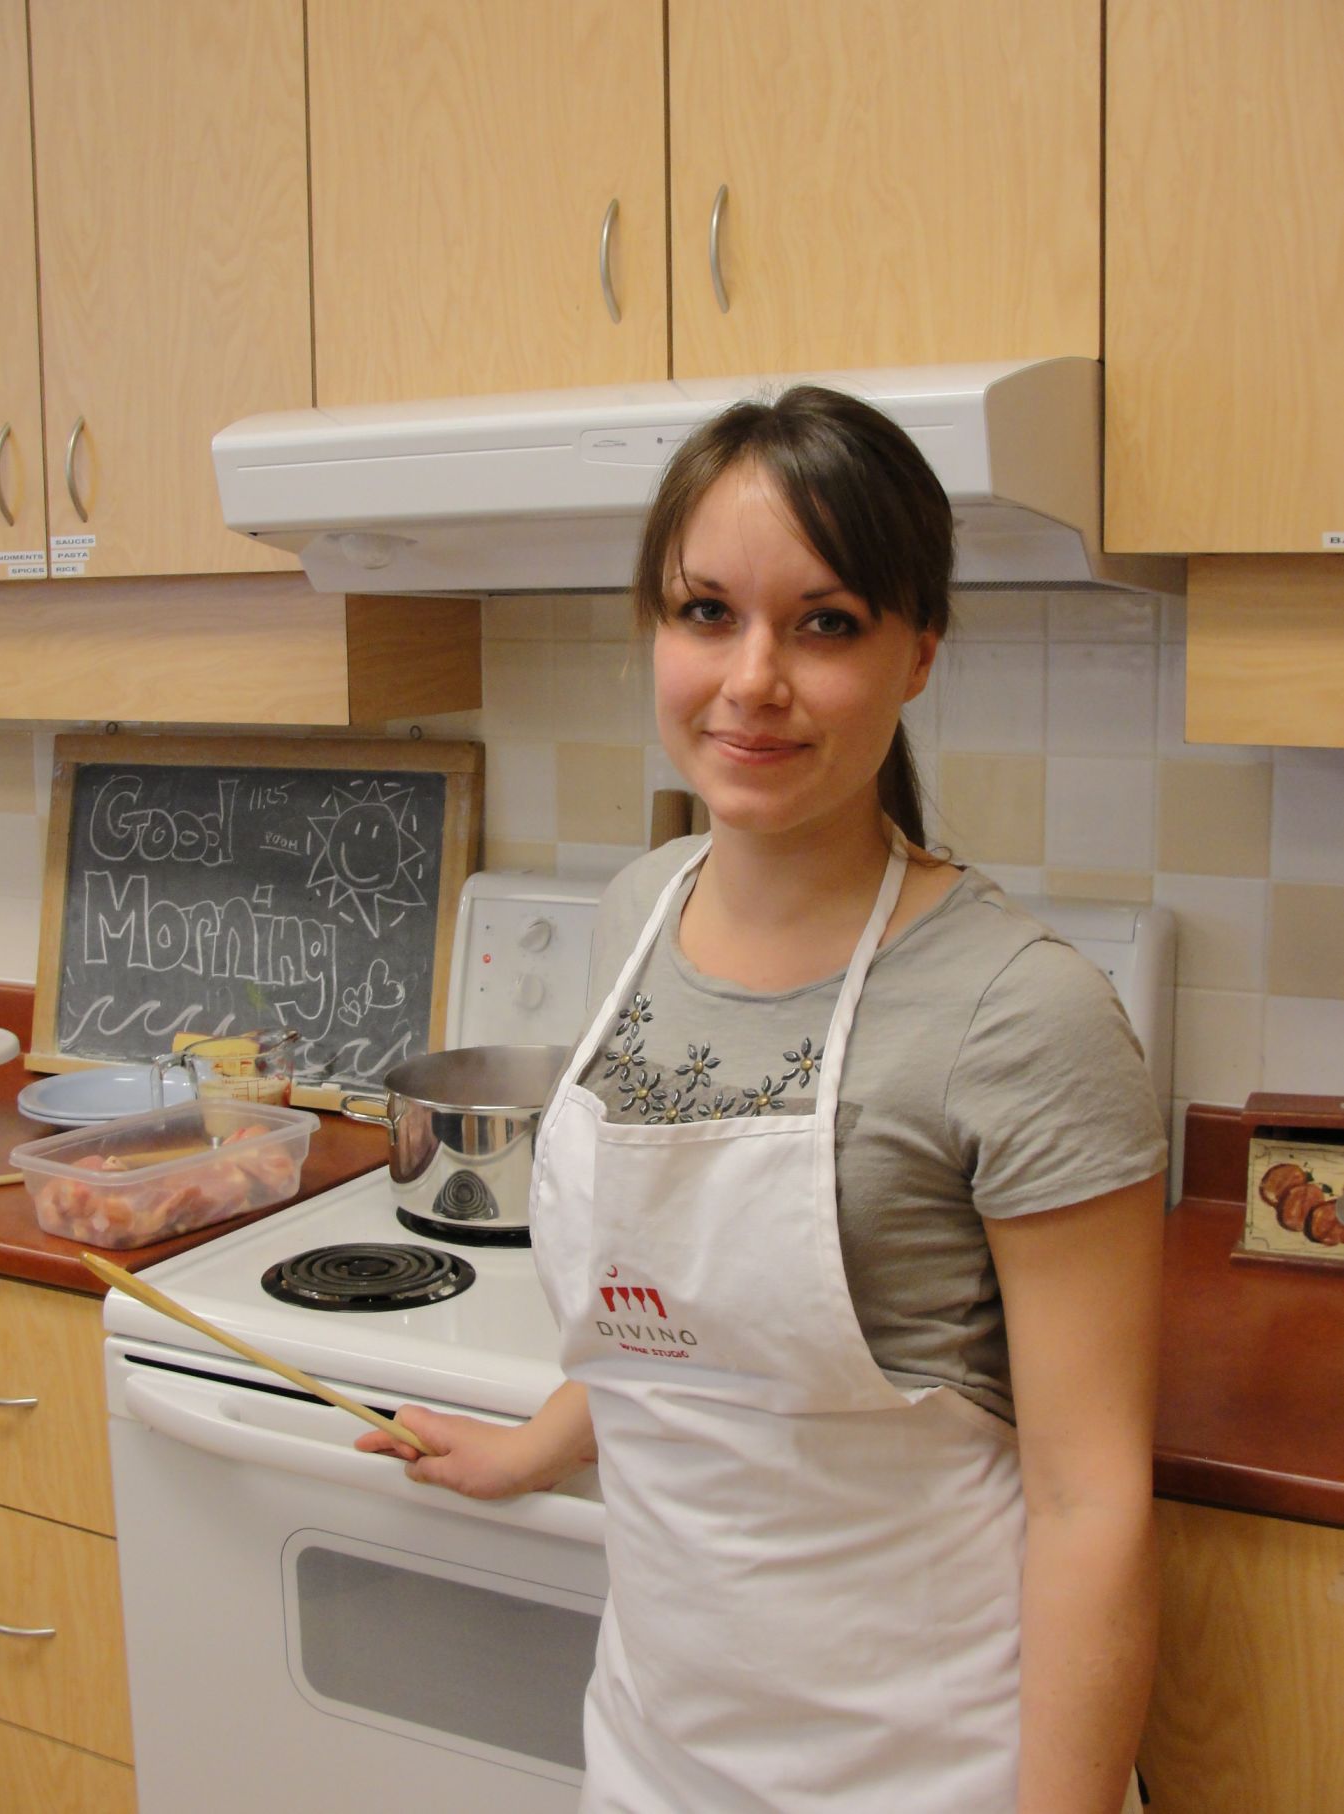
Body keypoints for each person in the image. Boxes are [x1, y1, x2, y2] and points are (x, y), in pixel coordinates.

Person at [357, 384, 1166, 1814]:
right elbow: (676, 1316)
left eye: (825, 623)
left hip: (927, 1776)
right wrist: (541, 1442)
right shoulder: (635, 917)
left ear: (919, 650)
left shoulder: (1021, 1015)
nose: (751, 679)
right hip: (657, 1754)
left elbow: (1088, 1502)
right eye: (706, 613)